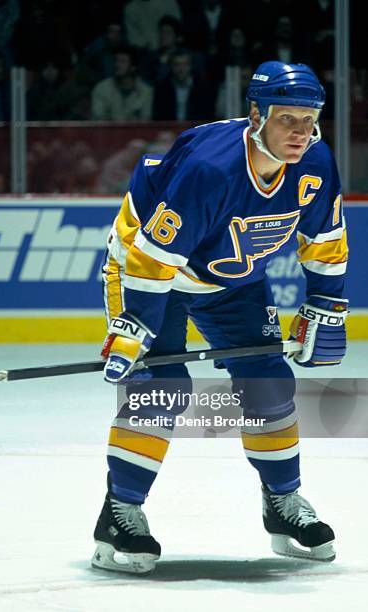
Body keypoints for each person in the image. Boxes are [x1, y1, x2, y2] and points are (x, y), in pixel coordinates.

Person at [92, 61, 348, 573]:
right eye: (287, 119)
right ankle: (120, 512)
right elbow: (152, 258)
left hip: (232, 283)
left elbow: (326, 243)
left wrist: (326, 306)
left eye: (309, 119)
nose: (300, 133)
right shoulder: (211, 170)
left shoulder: (316, 163)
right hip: (151, 272)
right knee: (162, 388)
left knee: (269, 381)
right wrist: (134, 327)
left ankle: (282, 504)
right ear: (256, 114)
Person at [91, 47, 152, 121]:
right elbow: (98, 122)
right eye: (116, 60)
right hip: (108, 132)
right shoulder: (101, 89)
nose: (117, 65)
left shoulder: (146, 92)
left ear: (133, 67)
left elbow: (145, 124)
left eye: (123, 61)